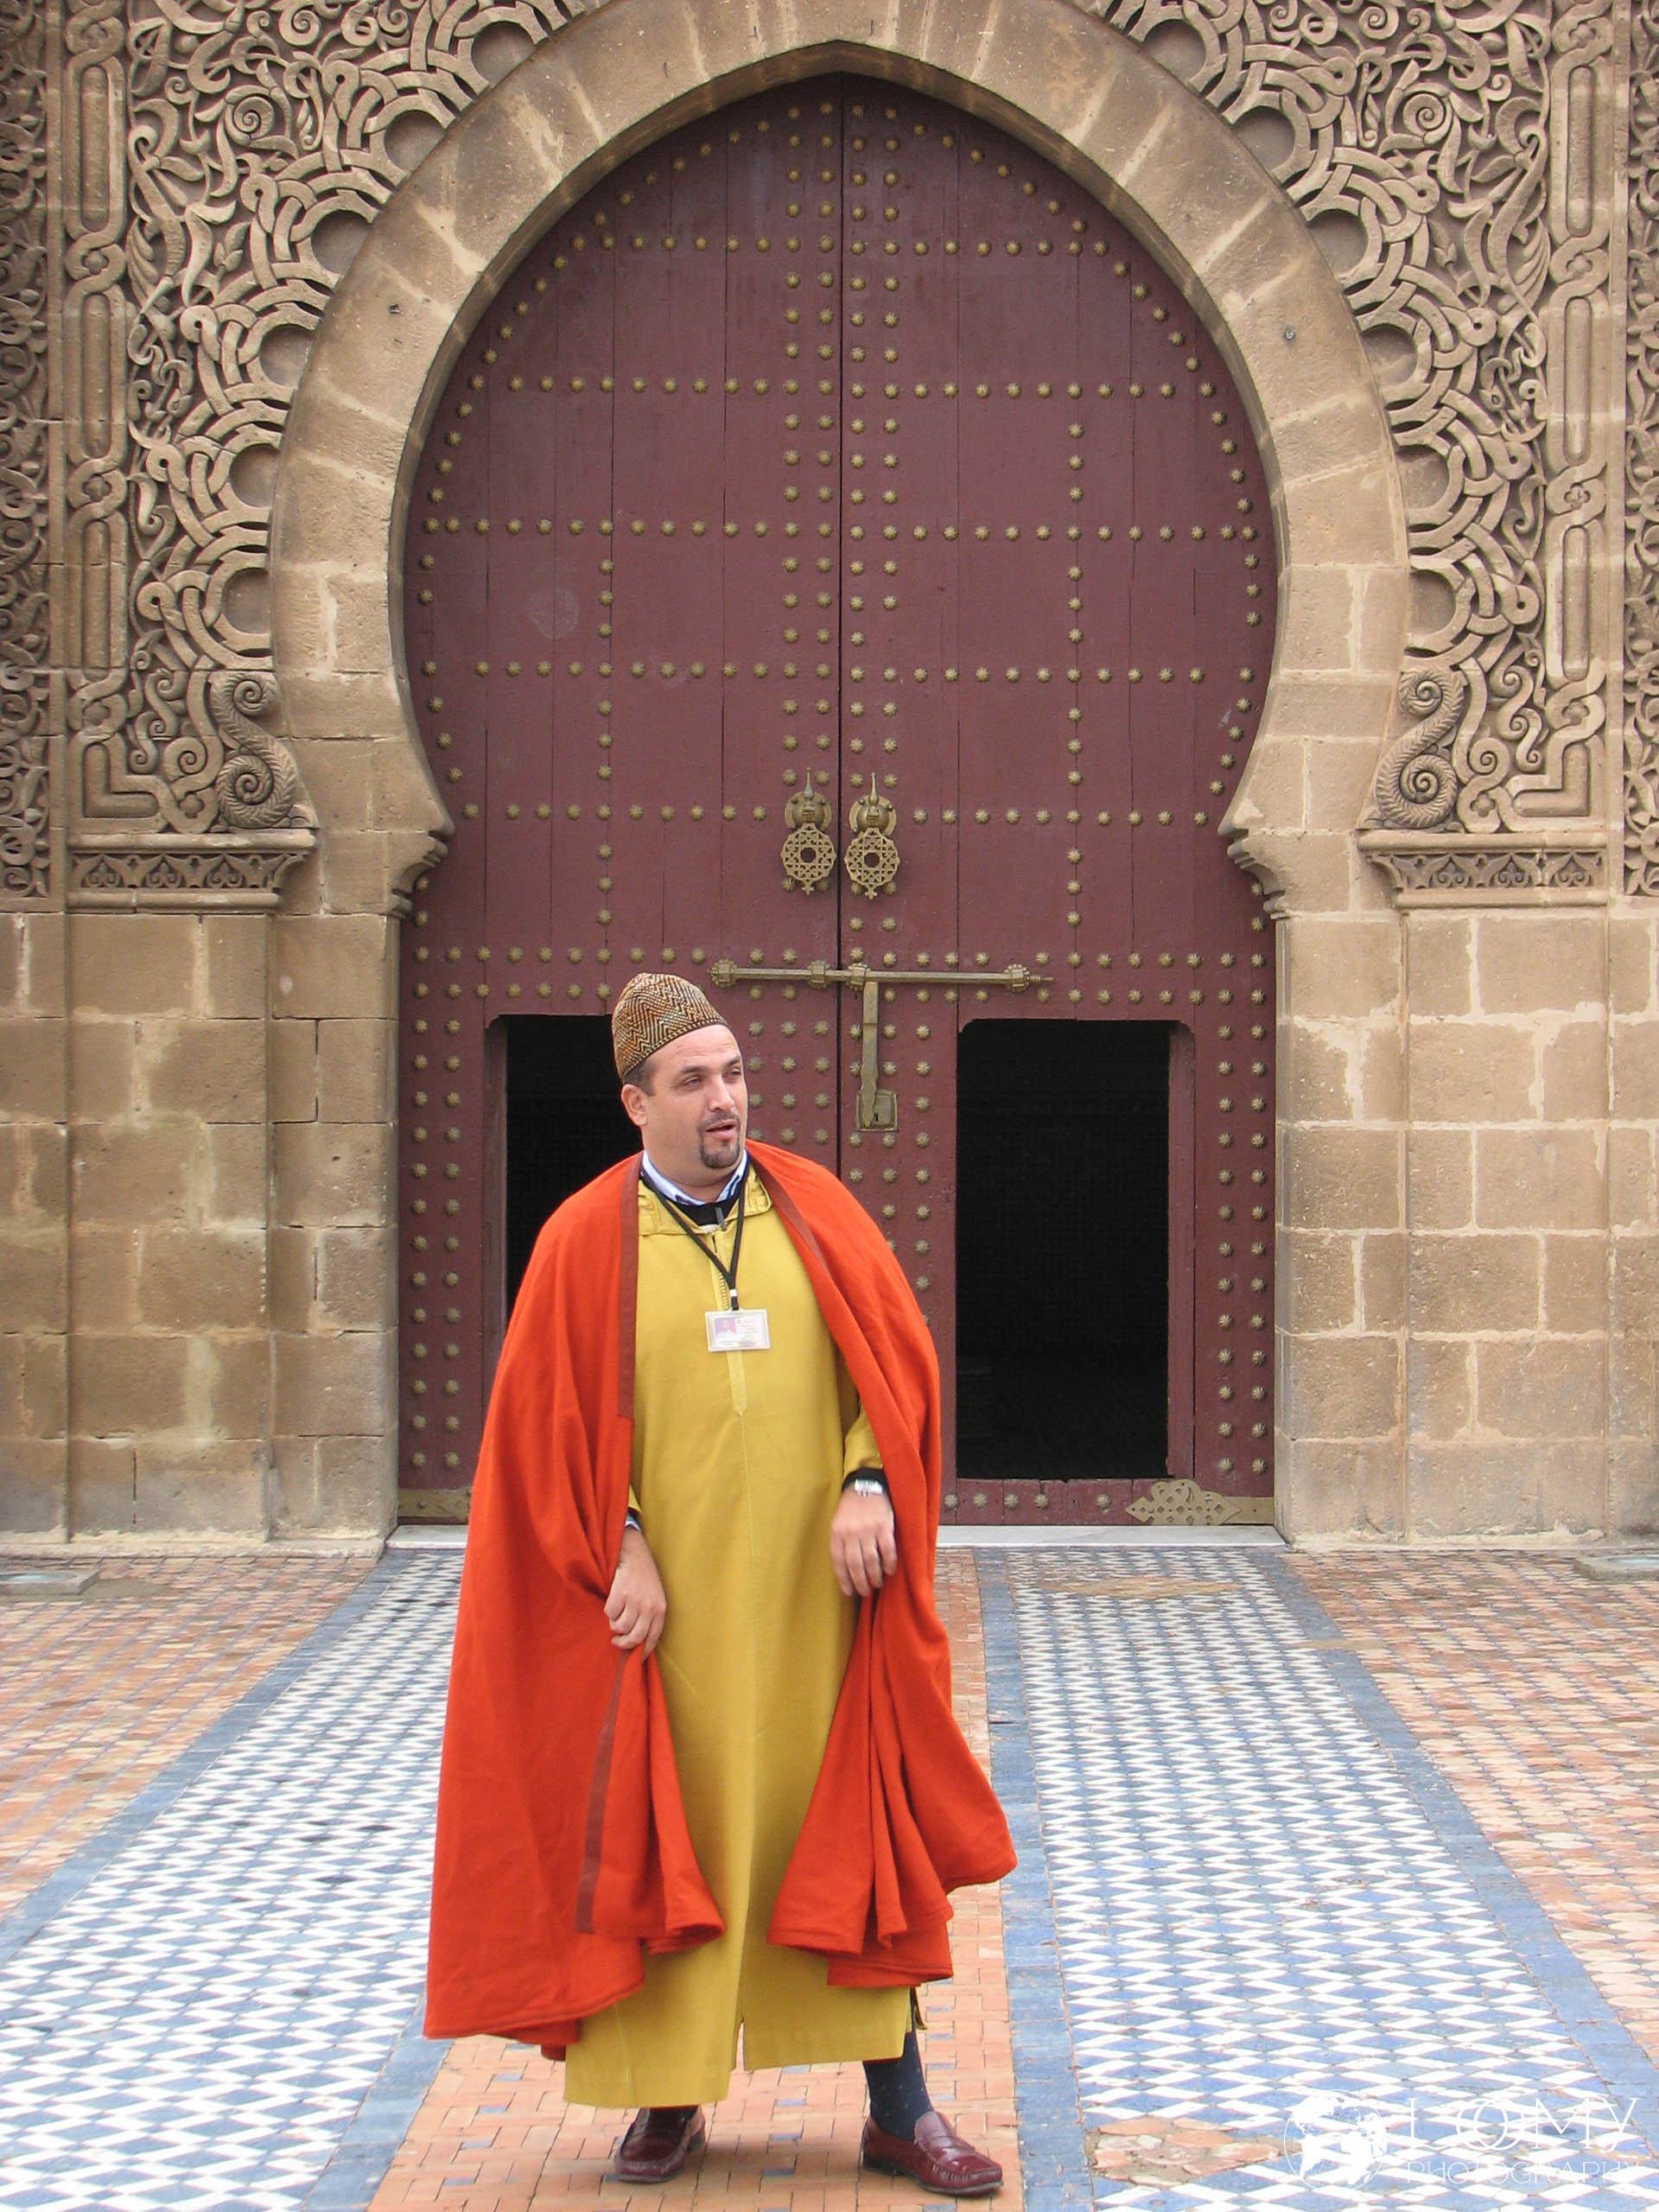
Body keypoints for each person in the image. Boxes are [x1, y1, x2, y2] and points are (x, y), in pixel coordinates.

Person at [426, 971, 1015, 2194]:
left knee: (852, 1832)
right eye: (693, 1081)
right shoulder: (584, 1240)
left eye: (735, 1073)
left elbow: (893, 1379)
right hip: (670, 1627)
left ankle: (899, 2108)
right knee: (667, 1836)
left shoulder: (817, 1209)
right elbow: (544, 1431)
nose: (725, 1099)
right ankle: (668, 2100)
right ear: (635, 1102)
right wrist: (620, 1539)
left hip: (815, 1617)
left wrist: (869, 1483)